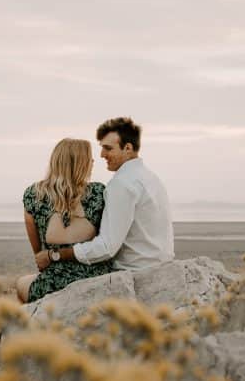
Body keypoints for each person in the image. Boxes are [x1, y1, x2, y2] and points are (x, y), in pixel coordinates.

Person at [35, 117, 174, 274]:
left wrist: (55, 255)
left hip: (134, 271)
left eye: (108, 148)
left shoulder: (122, 184)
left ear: (127, 148)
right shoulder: (150, 177)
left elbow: (107, 247)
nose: (102, 155)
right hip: (161, 266)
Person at [16, 138, 115, 303]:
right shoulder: (98, 192)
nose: (92, 161)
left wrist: (50, 258)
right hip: (97, 278)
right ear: (78, 163)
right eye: (88, 157)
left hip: (54, 282)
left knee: (21, 284)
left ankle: (32, 322)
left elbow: (38, 252)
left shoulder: (33, 194)